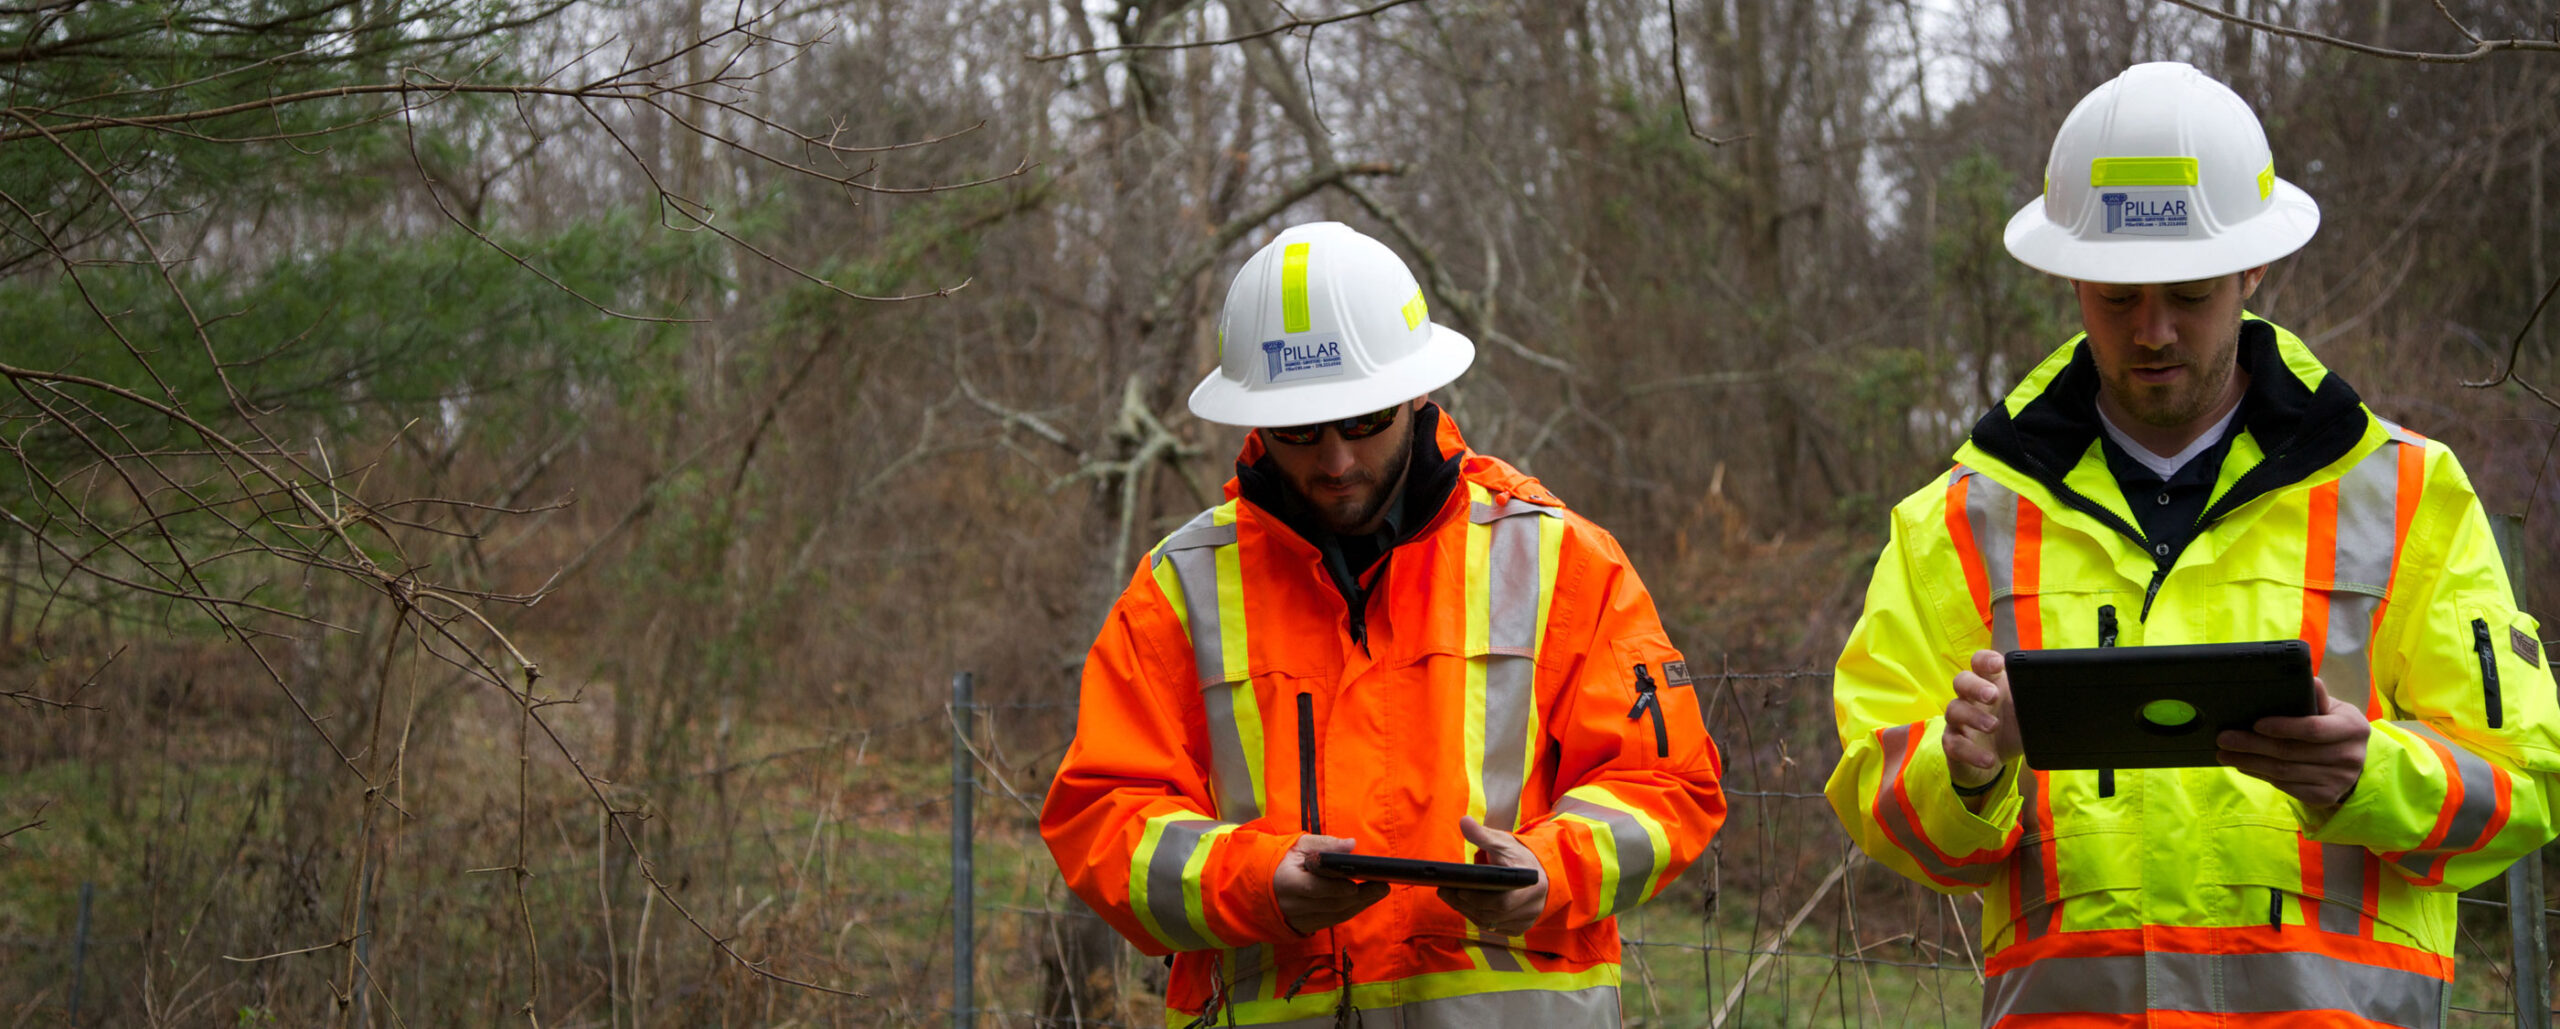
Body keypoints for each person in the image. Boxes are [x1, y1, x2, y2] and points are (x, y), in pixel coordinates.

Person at [1827, 62, 2560, 1026]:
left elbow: (2525, 784)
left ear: (2253, 271)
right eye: (2119, 299)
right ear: (2072, 278)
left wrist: (2370, 775)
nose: (2154, 330)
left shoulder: (2407, 494)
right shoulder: (1961, 522)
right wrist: (1967, 770)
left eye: (2190, 292)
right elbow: (1881, 798)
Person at [1041, 221, 1725, 1027]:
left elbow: (1667, 785)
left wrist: (1546, 870)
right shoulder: (1181, 588)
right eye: (1300, 431)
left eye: (1363, 421)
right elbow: (1101, 816)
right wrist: (1257, 881)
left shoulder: (1561, 560)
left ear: (1417, 393)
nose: (1335, 460)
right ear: (1256, 422)